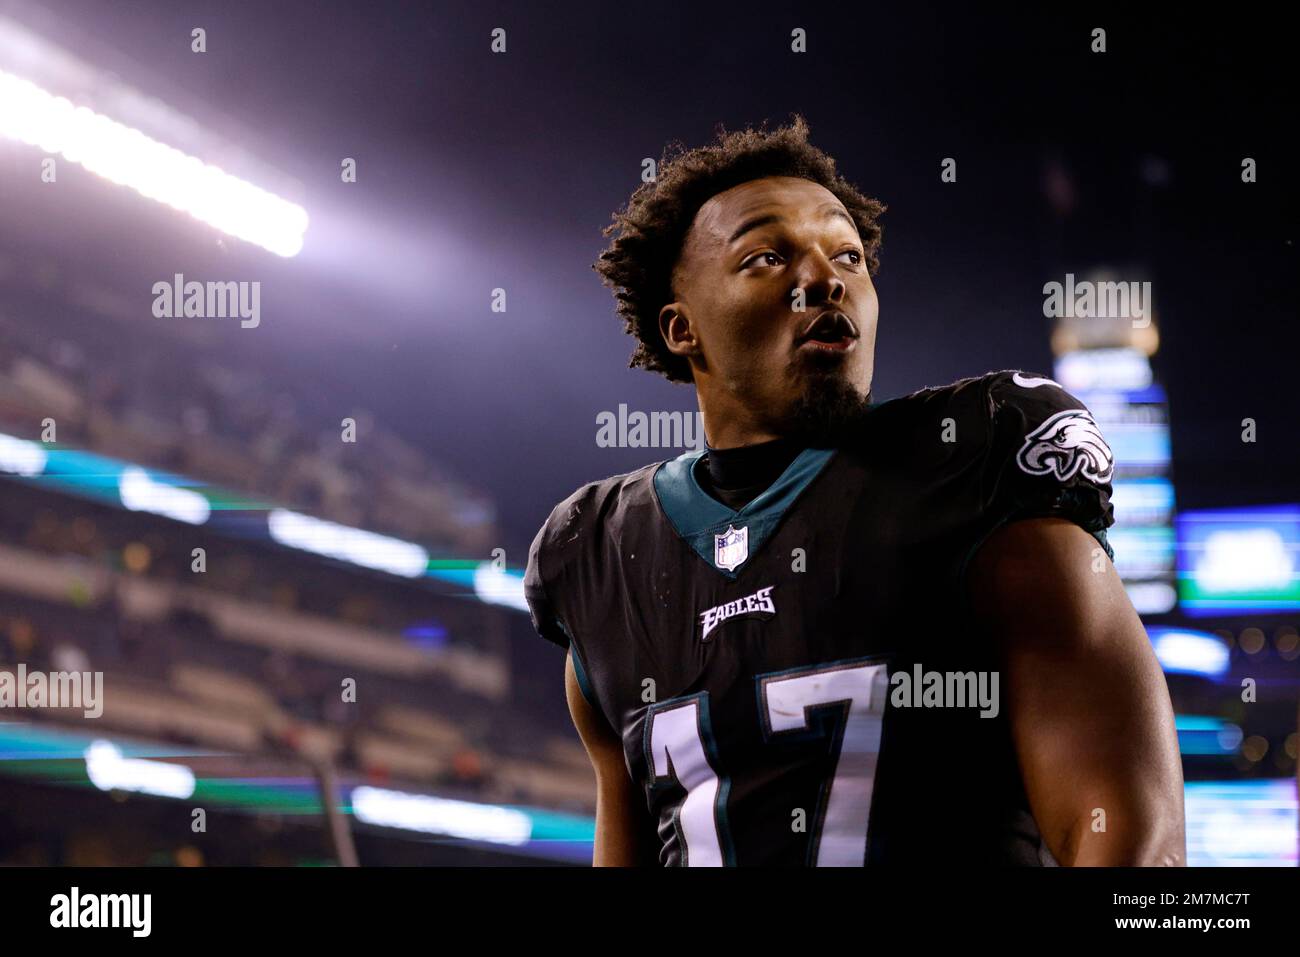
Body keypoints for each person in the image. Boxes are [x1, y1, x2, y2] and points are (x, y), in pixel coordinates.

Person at [525, 116, 1185, 866]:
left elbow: (1134, 850)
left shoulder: (973, 473)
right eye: (767, 256)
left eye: (846, 253)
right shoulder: (600, 556)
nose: (825, 277)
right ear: (682, 328)